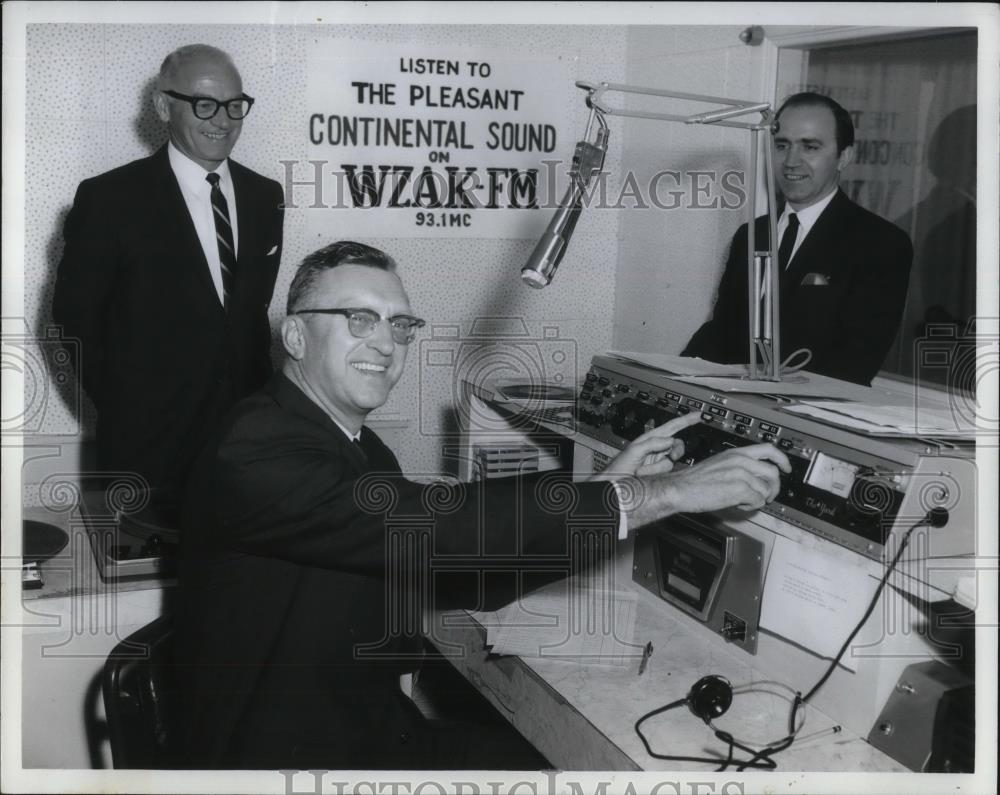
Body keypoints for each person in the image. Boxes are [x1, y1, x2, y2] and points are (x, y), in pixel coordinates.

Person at [177, 241, 790, 769]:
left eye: (400, 324)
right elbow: (439, 525)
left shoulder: (355, 446)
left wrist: (611, 492)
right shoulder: (254, 446)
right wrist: (667, 492)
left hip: (365, 733)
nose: (386, 343)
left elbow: (457, 560)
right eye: (359, 319)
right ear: (294, 334)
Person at [52, 44, 284, 502]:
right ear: (163, 106)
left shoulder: (265, 195)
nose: (223, 120)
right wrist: (126, 404)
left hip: (250, 441)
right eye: (204, 104)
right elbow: (73, 319)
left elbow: (248, 315)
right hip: (148, 447)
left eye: (235, 105)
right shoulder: (109, 198)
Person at [682, 92, 913, 386]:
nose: (791, 161)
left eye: (810, 147)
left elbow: (855, 363)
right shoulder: (749, 236)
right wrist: (672, 374)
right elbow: (721, 332)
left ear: (845, 157)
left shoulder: (881, 244)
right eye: (782, 145)